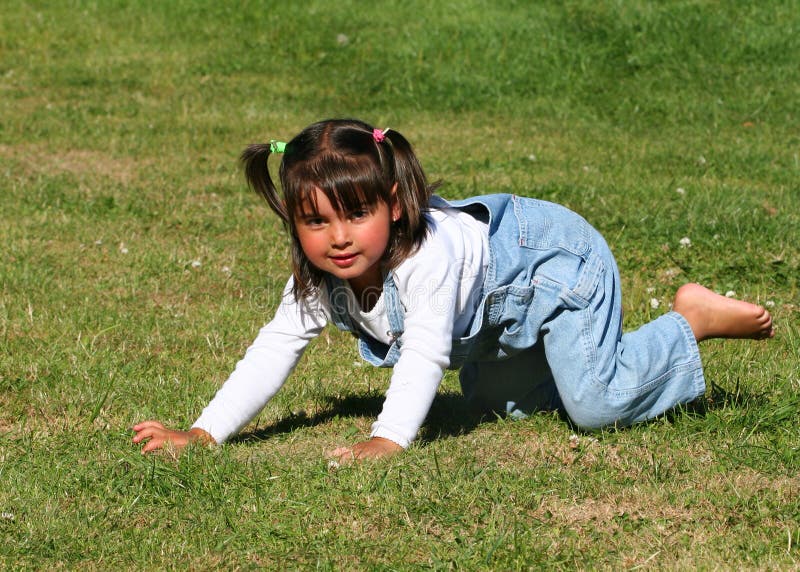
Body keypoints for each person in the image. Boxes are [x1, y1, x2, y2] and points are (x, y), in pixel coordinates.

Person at [132, 118, 774, 461]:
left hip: (554, 266)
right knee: (496, 404)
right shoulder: (319, 279)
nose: (338, 238)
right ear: (294, 222)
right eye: (315, 221)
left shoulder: (423, 260)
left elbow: (424, 353)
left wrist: (387, 438)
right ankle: (578, 365)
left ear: (392, 203)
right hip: (501, 324)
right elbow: (273, 348)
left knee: (597, 406)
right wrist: (205, 432)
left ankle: (686, 322)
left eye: (357, 214)